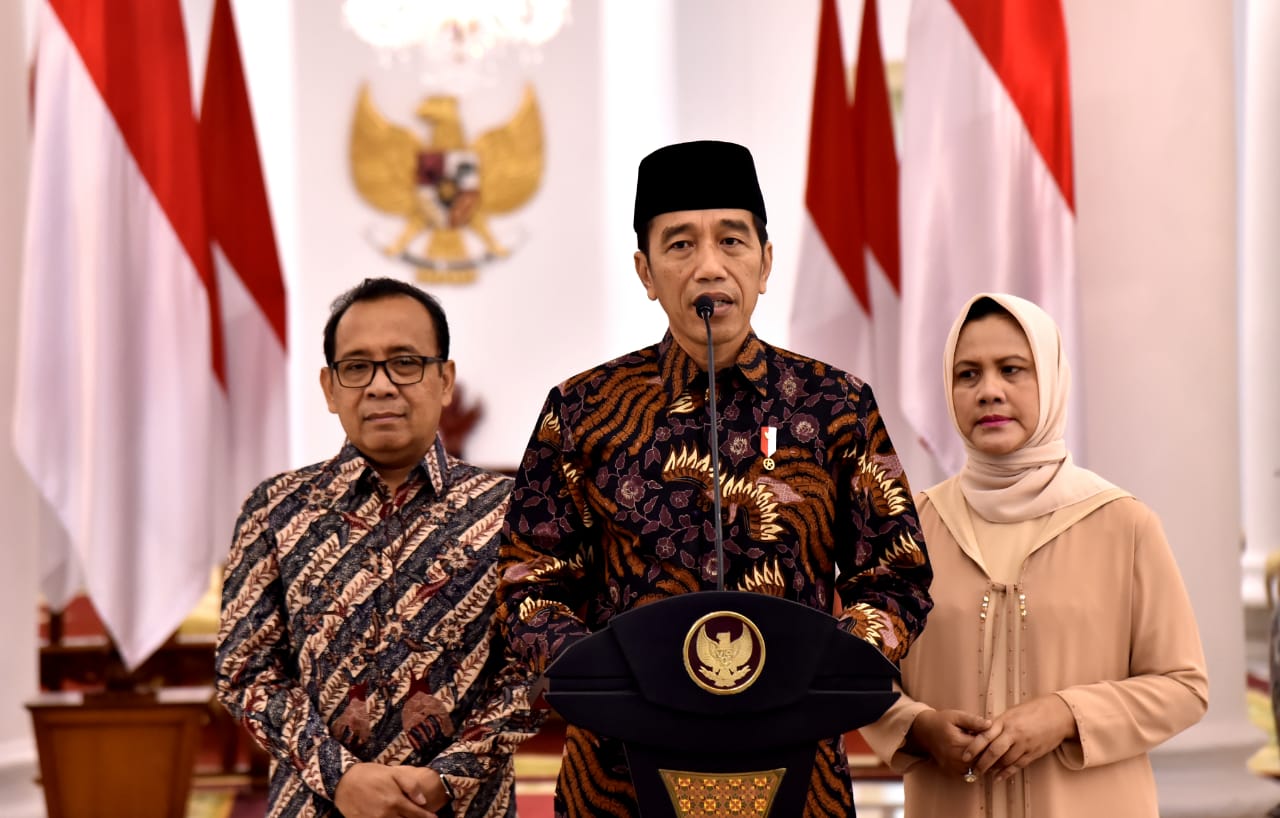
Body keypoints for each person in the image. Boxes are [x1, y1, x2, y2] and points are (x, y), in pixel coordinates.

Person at [494, 139, 934, 816]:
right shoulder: (582, 410)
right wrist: (612, 674)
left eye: (732, 240)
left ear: (765, 261)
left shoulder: (836, 404)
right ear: (644, 271)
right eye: (679, 245)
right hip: (618, 778)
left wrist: (824, 662)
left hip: (798, 765)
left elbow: (896, 576)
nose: (709, 266)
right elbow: (529, 583)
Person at [860, 292, 1208, 817]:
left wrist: (1067, 715)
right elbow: (861, 675)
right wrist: (919, 727)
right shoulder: (912, 527)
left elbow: (1183, 685)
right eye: (968, 374)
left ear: (1050, 378)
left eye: (1013, 369)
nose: (989, 391)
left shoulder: (1122, 523)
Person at [215, 278, 542, 818]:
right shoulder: (276, 510)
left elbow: (533, 673)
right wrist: (340, 777)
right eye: (357, 366)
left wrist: (445, 779)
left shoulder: (511, 513)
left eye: (405, 362)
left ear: (445, 380)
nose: (381, 386)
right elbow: (246, 671)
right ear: (330, 387)